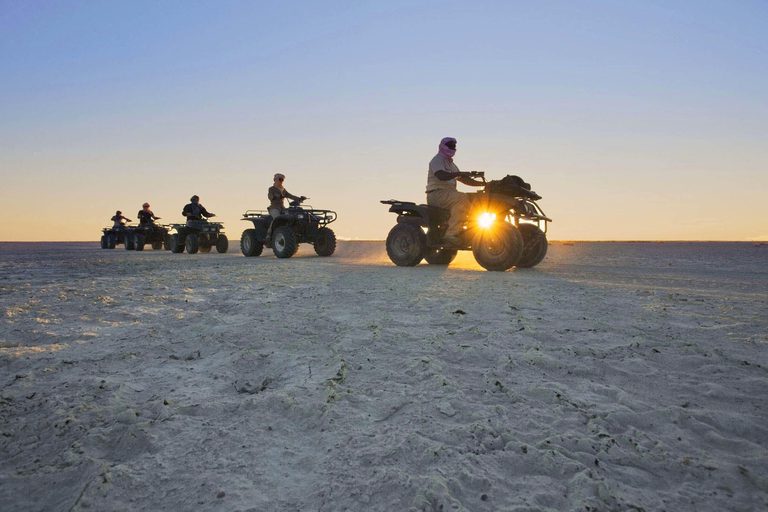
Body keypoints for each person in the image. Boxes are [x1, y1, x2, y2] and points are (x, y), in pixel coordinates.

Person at [425, 137, 484, 245]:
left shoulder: (452, 165)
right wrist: (459, 174)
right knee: (462, 198)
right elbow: (441, 175)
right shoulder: (437, 160)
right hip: (437, 194)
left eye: (454, 146)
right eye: (450, 145)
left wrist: (484, 184)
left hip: (449, 194)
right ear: (443, 146)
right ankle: (451, 234)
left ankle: (471, 232)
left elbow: (464, 180)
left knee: (476, 199)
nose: (453, 147)